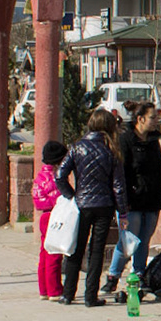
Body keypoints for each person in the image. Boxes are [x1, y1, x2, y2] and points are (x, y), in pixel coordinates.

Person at [55, 109, 128, 307]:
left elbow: (60, 175)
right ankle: (90, 296)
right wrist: (122, 211)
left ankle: (68, 294)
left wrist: (72, 196)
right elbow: (119, 186)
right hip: (104, 205)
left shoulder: (77, 147)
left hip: (81, 205)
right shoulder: (112, 149)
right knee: (96, 252)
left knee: (75, 249)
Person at [105, 101, 161, 293]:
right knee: (128, 239)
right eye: (152, 117)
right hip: (131, 201)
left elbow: (159, 168)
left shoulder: (152, 141)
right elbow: (121, 172)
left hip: (151, 199)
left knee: (144, 239)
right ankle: (113, 276)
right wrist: (124, 198)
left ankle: (139, 275)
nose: (156, 121)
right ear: (140, 119)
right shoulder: (125, 140)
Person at [32, 140, 66, 300]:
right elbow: (58, 199)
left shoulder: (40, 176)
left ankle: (43, 289)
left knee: (44, 252)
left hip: (43, 216)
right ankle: (54, 289)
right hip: (54, 216)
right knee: (54, 252)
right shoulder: (54, 177)